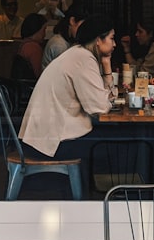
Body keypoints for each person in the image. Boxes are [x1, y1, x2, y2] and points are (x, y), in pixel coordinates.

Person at [18, 15, 116, 160]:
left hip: (40, 138)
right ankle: (85, 183)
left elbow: (102, 100)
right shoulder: (83, 59)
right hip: (52, 142)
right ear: (98, 40)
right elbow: (99, 107)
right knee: (110, 142)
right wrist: (107, 80)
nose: (114, 44)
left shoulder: (77, 53)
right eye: (112, 38)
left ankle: (86, 183)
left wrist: (106, 64)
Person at [41, 3, 89, 70]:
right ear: (72, 21)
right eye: (82, 26)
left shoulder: (65, 41)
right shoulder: (59, 44)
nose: (83, 30)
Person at [12, 12, 46, 80]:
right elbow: (39, 76)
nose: (44, 34)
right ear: (36, 30)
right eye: (44, 30)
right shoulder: (33, 48)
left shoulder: (24, 44)